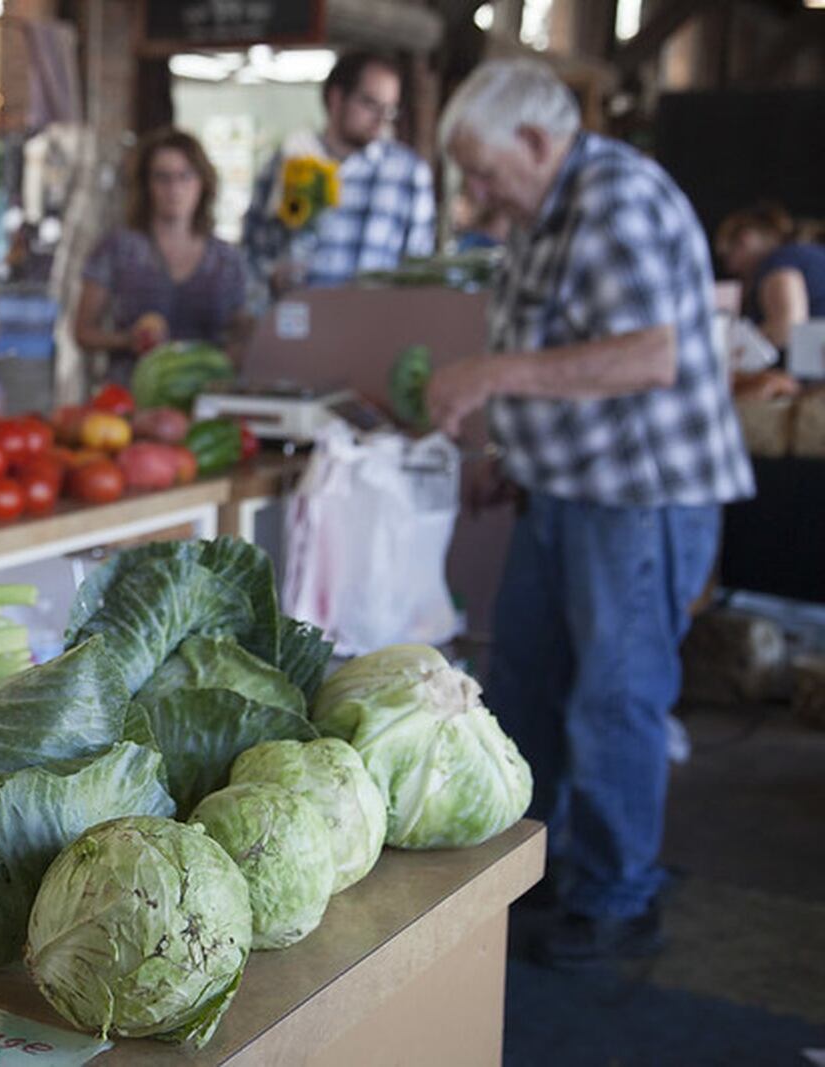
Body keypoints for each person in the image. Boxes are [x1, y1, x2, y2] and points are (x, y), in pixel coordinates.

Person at [427, 59, 754, 968]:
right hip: (565, 489)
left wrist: (488, 380)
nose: (476, 191)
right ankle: (543, 875)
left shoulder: (615, 197)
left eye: (484, 168)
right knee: (527, 685)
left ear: (538, 140)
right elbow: (558, 350)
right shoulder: (541, 209)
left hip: (638, 498)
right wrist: (510, 454)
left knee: (614, 698)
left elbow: (648, 355)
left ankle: (615, 899)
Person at [243, 51, 435, 295]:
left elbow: (419, 271)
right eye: (370, 104)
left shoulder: (408, 174)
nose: (380, 119)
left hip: (375, 325)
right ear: (336, 97)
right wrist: (271, 277)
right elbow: (252, 251)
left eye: (389, 110)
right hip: (299, 322)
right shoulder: (288, 160)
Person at [73, 127, 250, 381]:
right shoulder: (118, 248)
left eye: (185, 176)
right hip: (129, 397)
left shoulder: (227, 260)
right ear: (147, 185)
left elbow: (242, 332)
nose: (174, 188)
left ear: (203, 182)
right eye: (162, 178)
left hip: (205, 396)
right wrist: (127, 340)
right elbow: (83, 331)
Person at [716, 203, 825, 353]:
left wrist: (734, 352)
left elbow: (787, 329)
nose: (730, 269)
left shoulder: (780, 260)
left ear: (744, 240)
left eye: (727, 256)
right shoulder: (803, 254)